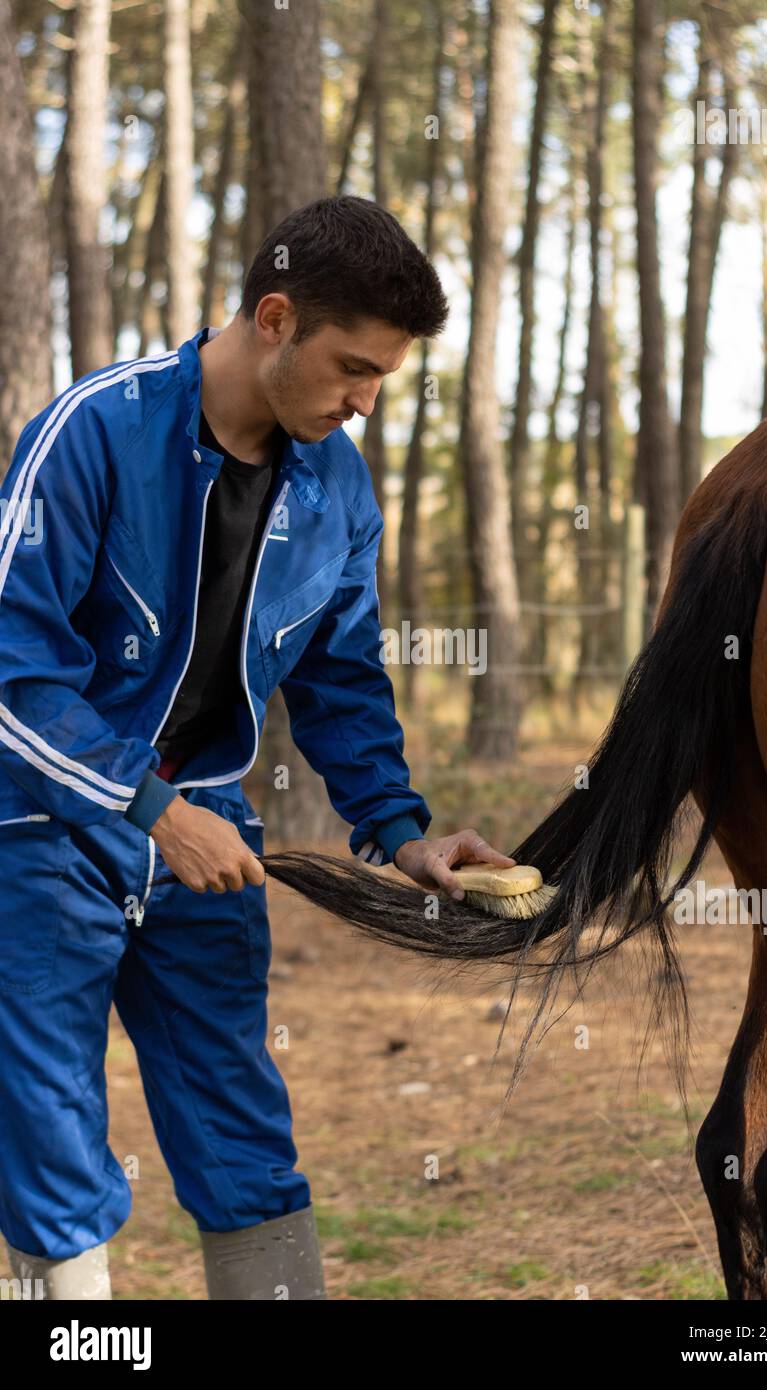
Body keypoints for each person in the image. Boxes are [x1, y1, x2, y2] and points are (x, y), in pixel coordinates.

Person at [0, 195, 515, 1300]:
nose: (367, 402)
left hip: (210, 828)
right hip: (41, 831)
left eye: (383, 375)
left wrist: (398, 832)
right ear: (272, 317)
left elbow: (340, 678)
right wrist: (147, 808)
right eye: (352, 368)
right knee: (48, 1135)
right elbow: (14, 666)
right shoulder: (93, 430)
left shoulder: (336, 485)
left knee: (241, 1133)